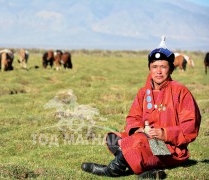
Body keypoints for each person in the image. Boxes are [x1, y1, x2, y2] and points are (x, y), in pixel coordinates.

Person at [81, 36, 201, 178]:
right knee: (113, 138)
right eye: (154, 67)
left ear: (171, 69)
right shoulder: (143, 92)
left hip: (171, 149)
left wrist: (164, 133)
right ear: (149, 69)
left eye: (163, 67)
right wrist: (138, 129)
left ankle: (113, 170)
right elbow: (133, 117)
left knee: (137, 142)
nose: (158, 71)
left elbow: (190, 128)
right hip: (145, 139)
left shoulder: (181, 92)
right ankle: (148, 170)